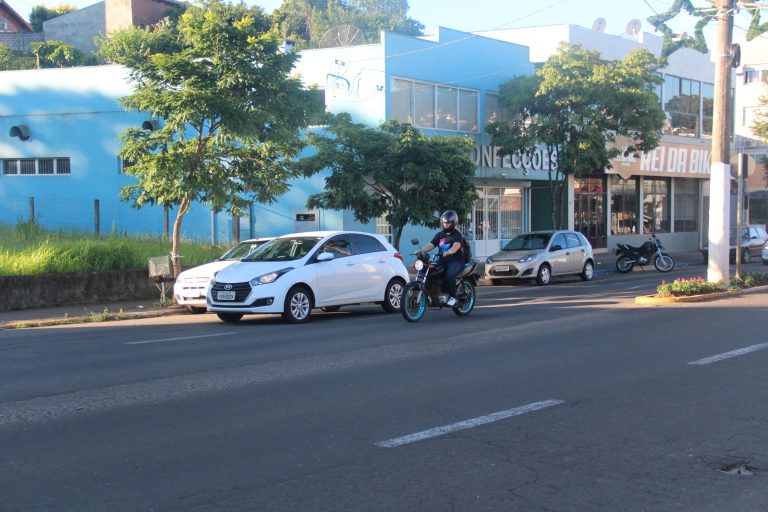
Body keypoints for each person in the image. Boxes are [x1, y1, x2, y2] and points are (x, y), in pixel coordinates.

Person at [418, 210, 465, 307]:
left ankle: (452, 298)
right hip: (442, 261)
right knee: (429, 271)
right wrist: (421, 251)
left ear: (453, 223)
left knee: (449, 274)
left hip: (456, 261)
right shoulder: (440, 235)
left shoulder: (457, 235)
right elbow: (431, 245)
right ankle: (433, 294)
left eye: (448, 223)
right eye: (445, 222)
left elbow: (456, 245)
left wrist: (449, 251)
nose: (446, 224)